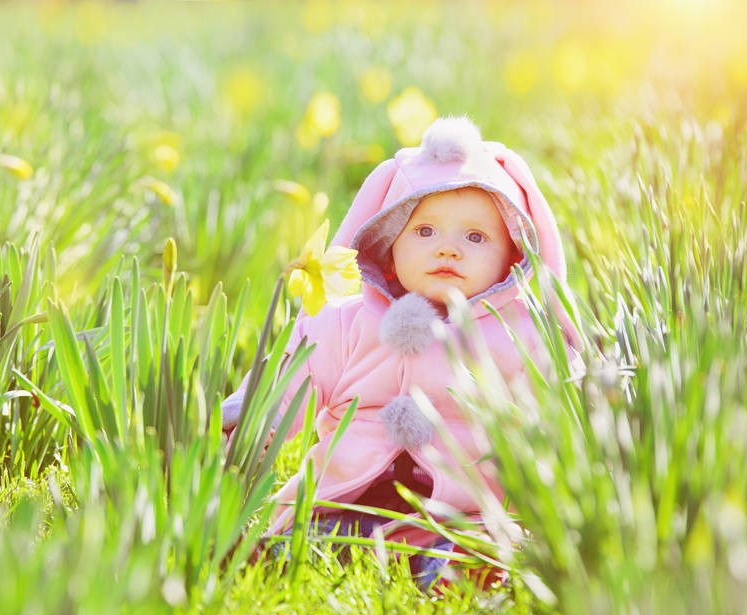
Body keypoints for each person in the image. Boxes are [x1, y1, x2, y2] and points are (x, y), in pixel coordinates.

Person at [222, 116, 581, 588]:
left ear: (511, 257)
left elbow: (559, 403)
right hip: (351, 500)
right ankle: (276, 556)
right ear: (388, 246)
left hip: (459, 513)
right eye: (425, 231)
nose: (447, 250)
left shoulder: (517, 337)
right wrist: (259, 423)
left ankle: (461, 576)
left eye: (475, 237)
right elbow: (294, 373)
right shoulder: (348, 322)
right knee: (312, 541)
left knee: (477, 554)